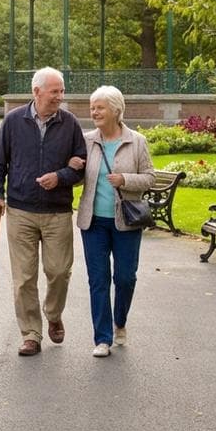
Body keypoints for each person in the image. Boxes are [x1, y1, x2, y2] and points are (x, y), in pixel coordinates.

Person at [0, 67, 87, 357]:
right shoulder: (13, 121)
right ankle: (31, 333)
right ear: (37, 92)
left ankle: (53, 314)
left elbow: (81, 166)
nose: (60, 97)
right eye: (55, 91)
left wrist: (61, 176)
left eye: (62, 91)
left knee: (58, 272)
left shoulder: (69, 124)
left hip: (57, 212)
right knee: (23, 278)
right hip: (20, 210)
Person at [69, 85, 155, 358]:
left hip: (126, 222)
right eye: (92, 107)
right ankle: (102, 338)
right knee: (98, 279)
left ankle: (120, 322)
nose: (94, 112)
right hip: (93, 221)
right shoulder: (86, 140)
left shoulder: (137, 141)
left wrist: (125, 180)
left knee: (125, 278)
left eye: (100, 107)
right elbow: (81, 177)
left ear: (116, 110)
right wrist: (73, 168)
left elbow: (151, 178)